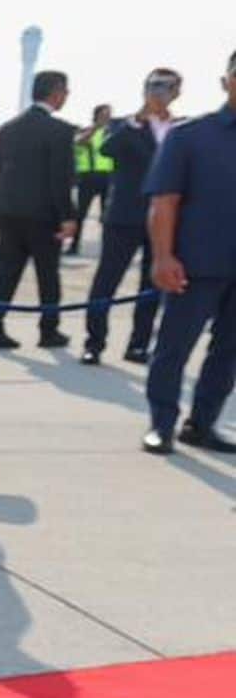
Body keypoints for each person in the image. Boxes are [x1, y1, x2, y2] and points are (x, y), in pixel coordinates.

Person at [141, 49, 236, 456]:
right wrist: (163, 257)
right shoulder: (190, 135)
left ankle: (202, 424)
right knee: (174, 347)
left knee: (229, 352)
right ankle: (161, 425)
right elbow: (164, 202)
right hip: (195, 264)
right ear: (226, 81)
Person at [85, 71, 178, 365]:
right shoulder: (123, 126)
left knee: (152, 286)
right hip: (124, 217)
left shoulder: (182, 128)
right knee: (106, 282)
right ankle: (94, 343)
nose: (158, 92)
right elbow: (106, 148)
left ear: (176, 92)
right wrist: (135, 121)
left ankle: (138, 345)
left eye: (165, 87)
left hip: (163, 220)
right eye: (153, 85)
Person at [0, 71, 80, 350]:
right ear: (56, 92)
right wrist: (68, 216)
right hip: (43, 214)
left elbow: (0, 171)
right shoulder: (61, 131)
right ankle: (48, 331)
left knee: (6, 271)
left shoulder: (8, 128)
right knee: (48, 274)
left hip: (8, 210)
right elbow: (60, 179)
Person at [72, 104, 116, 252]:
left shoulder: (112, 133)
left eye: (109, 115)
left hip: (107, 177)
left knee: (107, 216)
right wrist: (96, 127)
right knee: (80, 214)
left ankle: (108, 247)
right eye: (104, 114)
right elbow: (79, 142)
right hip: (88, 177)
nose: (107, 118)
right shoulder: (87, 131)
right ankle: (74, 245)